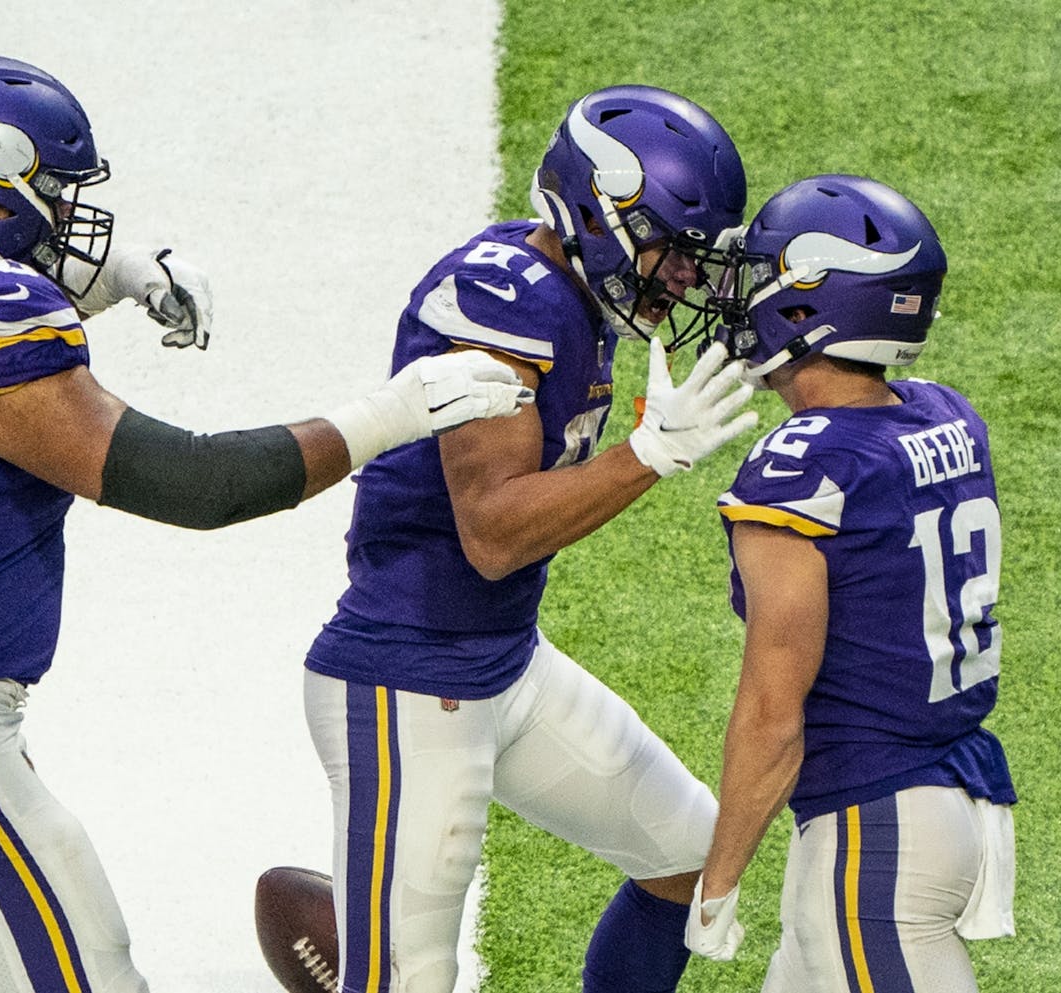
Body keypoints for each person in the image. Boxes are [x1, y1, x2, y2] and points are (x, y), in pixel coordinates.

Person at [0, 53, 532, 993]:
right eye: (45, 190)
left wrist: (123, 277)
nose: (64, 213)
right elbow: (194, 482)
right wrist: (390, 415)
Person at [298, 85, 758, 993]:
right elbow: (494, 536)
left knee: (685, 850)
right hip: (406, 678)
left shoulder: (571, 284)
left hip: (499, 660)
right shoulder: (499, 302)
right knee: (403, 979)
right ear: (600, 214)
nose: (685, 279)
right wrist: (648, 455)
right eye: (671, 252)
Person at [682, 175, 1016, 991]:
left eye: (761, 277)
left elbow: (773, 712)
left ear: (810, 305)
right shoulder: (947, 415)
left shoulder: (803, 465)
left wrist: (717, 879)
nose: (739, 296)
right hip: (948, 799)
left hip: (879, 834)